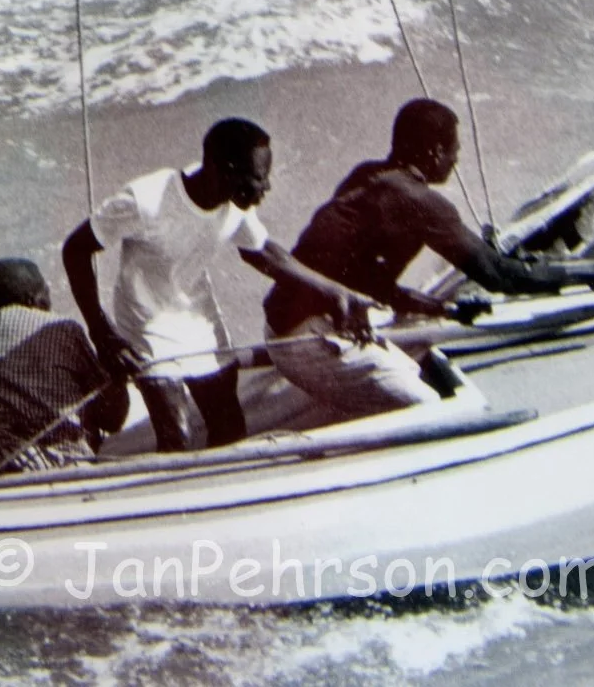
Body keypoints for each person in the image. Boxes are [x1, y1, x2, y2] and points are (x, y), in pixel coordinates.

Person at [263, 98, 594, 421]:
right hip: (306, 342)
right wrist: (592, 270)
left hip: (281, 329)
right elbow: (499, 276)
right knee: (434, 409)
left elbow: (363, 279)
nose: (456, 159)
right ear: (434, 153)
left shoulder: (367, 176)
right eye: (454, 149)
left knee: (420, 354)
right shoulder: (419, 201)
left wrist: (444, 309)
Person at [62, 119, 378, 454]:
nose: (266, 187)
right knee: (177, 437)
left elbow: (265, 254)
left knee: (229, 427)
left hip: (198, 317)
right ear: (221, 170)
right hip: (145, 324)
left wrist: (336, 292)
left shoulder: (234, 203)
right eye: (258, 178)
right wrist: (102, 332)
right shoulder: (145, 200)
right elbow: (76, 249)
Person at [0, 257, 123, 472]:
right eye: (47, 291)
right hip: (66, 465)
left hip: (2, 470)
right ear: (34, 299)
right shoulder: (64, 330)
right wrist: (117, 372)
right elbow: (112, 420)